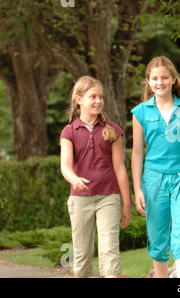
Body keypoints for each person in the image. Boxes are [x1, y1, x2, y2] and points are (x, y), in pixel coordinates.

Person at [131, 56, 180, 278]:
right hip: (153, 181)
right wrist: (138, 189)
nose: (160, 82)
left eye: (164, 78)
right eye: (155, 78)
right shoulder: (140, 112)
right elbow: (138, 152)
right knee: (158, 236)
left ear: (173, 79)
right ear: (148, 82)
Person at [60, 76, 131, 278]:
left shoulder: (112, 131)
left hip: (109, 197)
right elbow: (65, 166)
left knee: (109, 250)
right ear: (79, 99)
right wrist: (75, 179)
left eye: (101, 96)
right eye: (93, 96)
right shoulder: (68, 132)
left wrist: (126, 204)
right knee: (81, 256)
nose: (98, 101)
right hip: (79, 200)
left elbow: (120, 169)